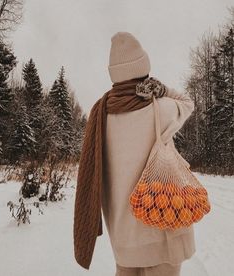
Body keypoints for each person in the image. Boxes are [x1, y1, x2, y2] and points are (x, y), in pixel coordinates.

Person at [73, 31, 196, 276]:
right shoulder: (159, 109)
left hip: (124, 240)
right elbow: (187, 103)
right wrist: (161, 89)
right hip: (162, 230)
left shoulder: (101, 118)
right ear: (143, 70)